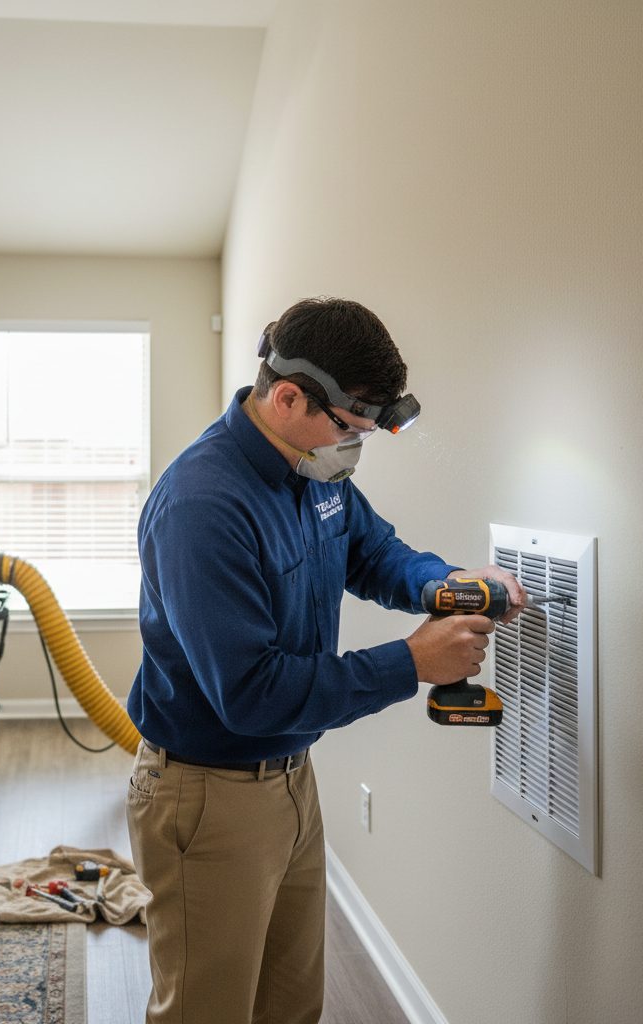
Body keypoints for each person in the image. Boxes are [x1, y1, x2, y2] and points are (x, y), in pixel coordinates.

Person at [125, 297, 524, 1024]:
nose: (356, 448)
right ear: (287, 397)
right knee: (207, 1011)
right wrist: (412, 663)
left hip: (290, 783)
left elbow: (373, 552)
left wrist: (444, 583)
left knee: (290, 1005)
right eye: (351, 429)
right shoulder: (203, 507)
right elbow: (251, 694)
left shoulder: (314, 470)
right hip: (208, 795)